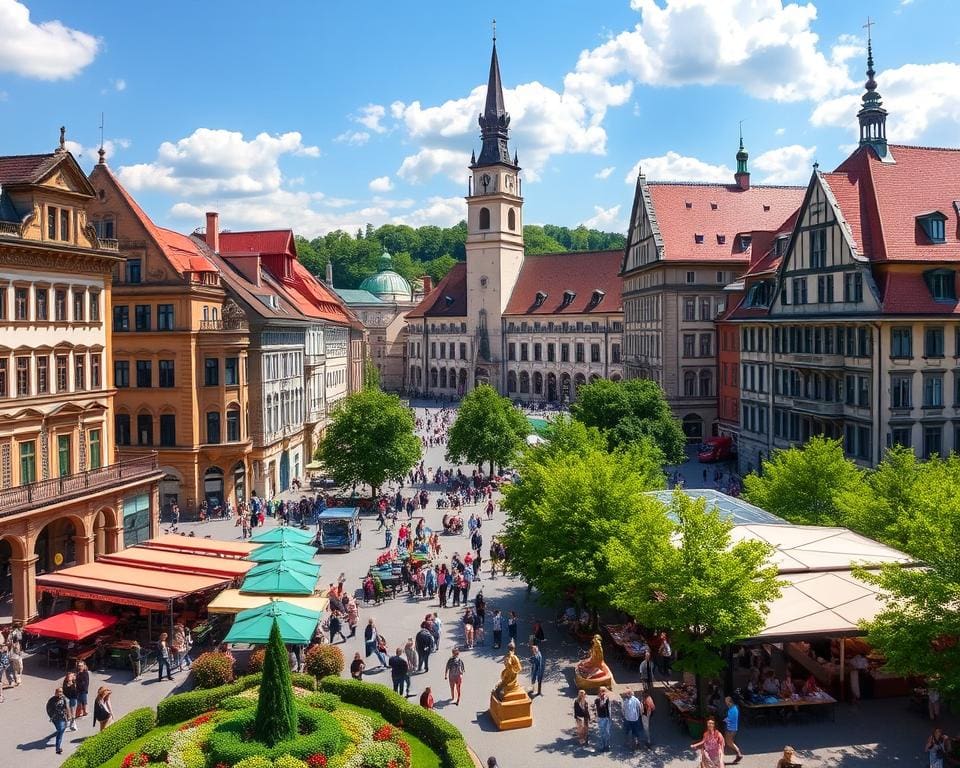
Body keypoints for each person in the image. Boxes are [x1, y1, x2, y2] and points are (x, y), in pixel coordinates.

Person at [47, 686, 70, 754]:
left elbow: (66, 707)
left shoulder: (64, 699)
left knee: (61, 730)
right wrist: (51, 716)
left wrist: (68, 715)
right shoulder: (52, 700)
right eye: (59, 692)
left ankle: (58, 746)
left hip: (63, 717)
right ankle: (58, 747)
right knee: (60, 730)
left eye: (61, 692)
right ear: (56, 693)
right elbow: (48, 708)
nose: (60, 693)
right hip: (56, 718)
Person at [723, 696, 743, 763]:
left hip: (730, 729)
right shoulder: (734, 708)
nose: (726, 703)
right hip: (733, 728)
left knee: (729, 742)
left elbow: (730, 719)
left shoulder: (732, 710)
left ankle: (739, 753)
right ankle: (738, 754)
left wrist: (724, 720)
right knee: (730, 742)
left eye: (727, 702)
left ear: (730, 702)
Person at [594, 686, 612, 753]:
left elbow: (609, 709)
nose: (603, 693)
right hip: (600, 718)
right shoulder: (597, 700)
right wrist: (596, 717)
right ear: (599, 692)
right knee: (602, 732)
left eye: (604, 691)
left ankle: (607, 746)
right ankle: (602, 746)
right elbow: (596, 709)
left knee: (607, 732)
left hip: (606, 718)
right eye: (602, 691)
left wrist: (610, 718)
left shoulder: (607, 699)